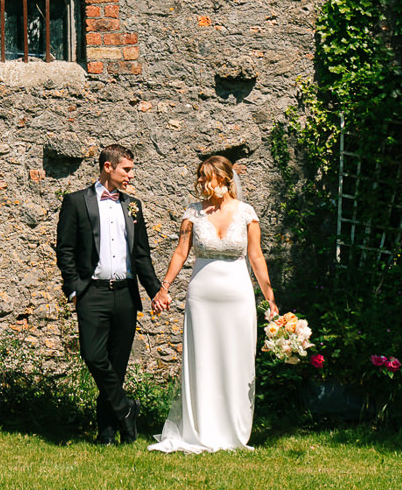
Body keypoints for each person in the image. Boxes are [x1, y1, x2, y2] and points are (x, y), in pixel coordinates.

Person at [147, 153, 279, 453]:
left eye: (206, 176)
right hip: (202, 296)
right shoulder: (193, 212)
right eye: (200, 176)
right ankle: (200, 428)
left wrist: (270, 299)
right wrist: (164, 288)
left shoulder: (246, 212)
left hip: (237, 296)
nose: (200, 182)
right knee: (202, 359)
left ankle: (233, 430)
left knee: (237, 359)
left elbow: (256, 257)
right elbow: (181, 252)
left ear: (223, 178)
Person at [54, 142, 163, 445]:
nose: (131, 175)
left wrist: (155, 291)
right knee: (92, 355)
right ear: (108, 167)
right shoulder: (76, 202)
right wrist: (75, 289)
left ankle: (109, 431)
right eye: (126, 169)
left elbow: (142, 255)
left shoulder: (133, 205)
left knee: (116, 365)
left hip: (126, 295)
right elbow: (65, 250)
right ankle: (127, 408)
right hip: (93, 294)